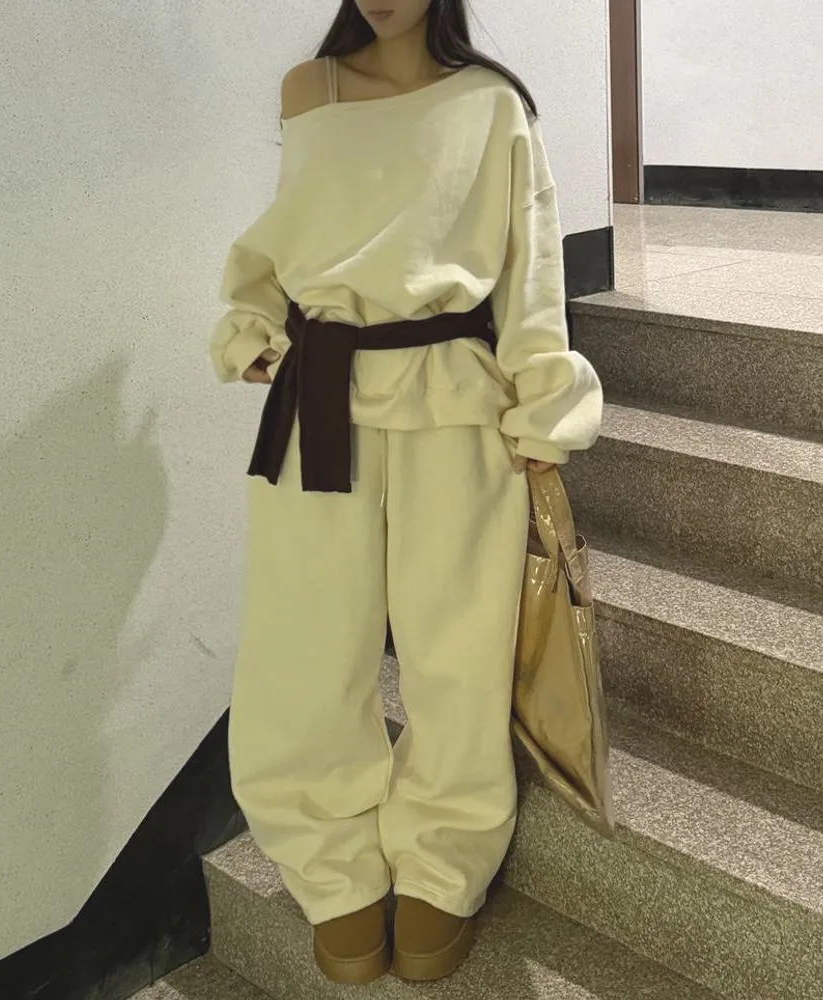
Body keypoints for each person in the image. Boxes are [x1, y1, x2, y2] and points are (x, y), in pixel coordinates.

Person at [209, 0, 603, 986]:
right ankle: (330, 863)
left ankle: (443, 857)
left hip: (454, 398)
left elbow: (530, 274)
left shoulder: (493, 104)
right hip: (317, 398)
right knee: (303, 645)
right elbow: (286, 238)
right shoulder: (308, 89)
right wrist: (251, 324)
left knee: (455, 645)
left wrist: (541, 418)